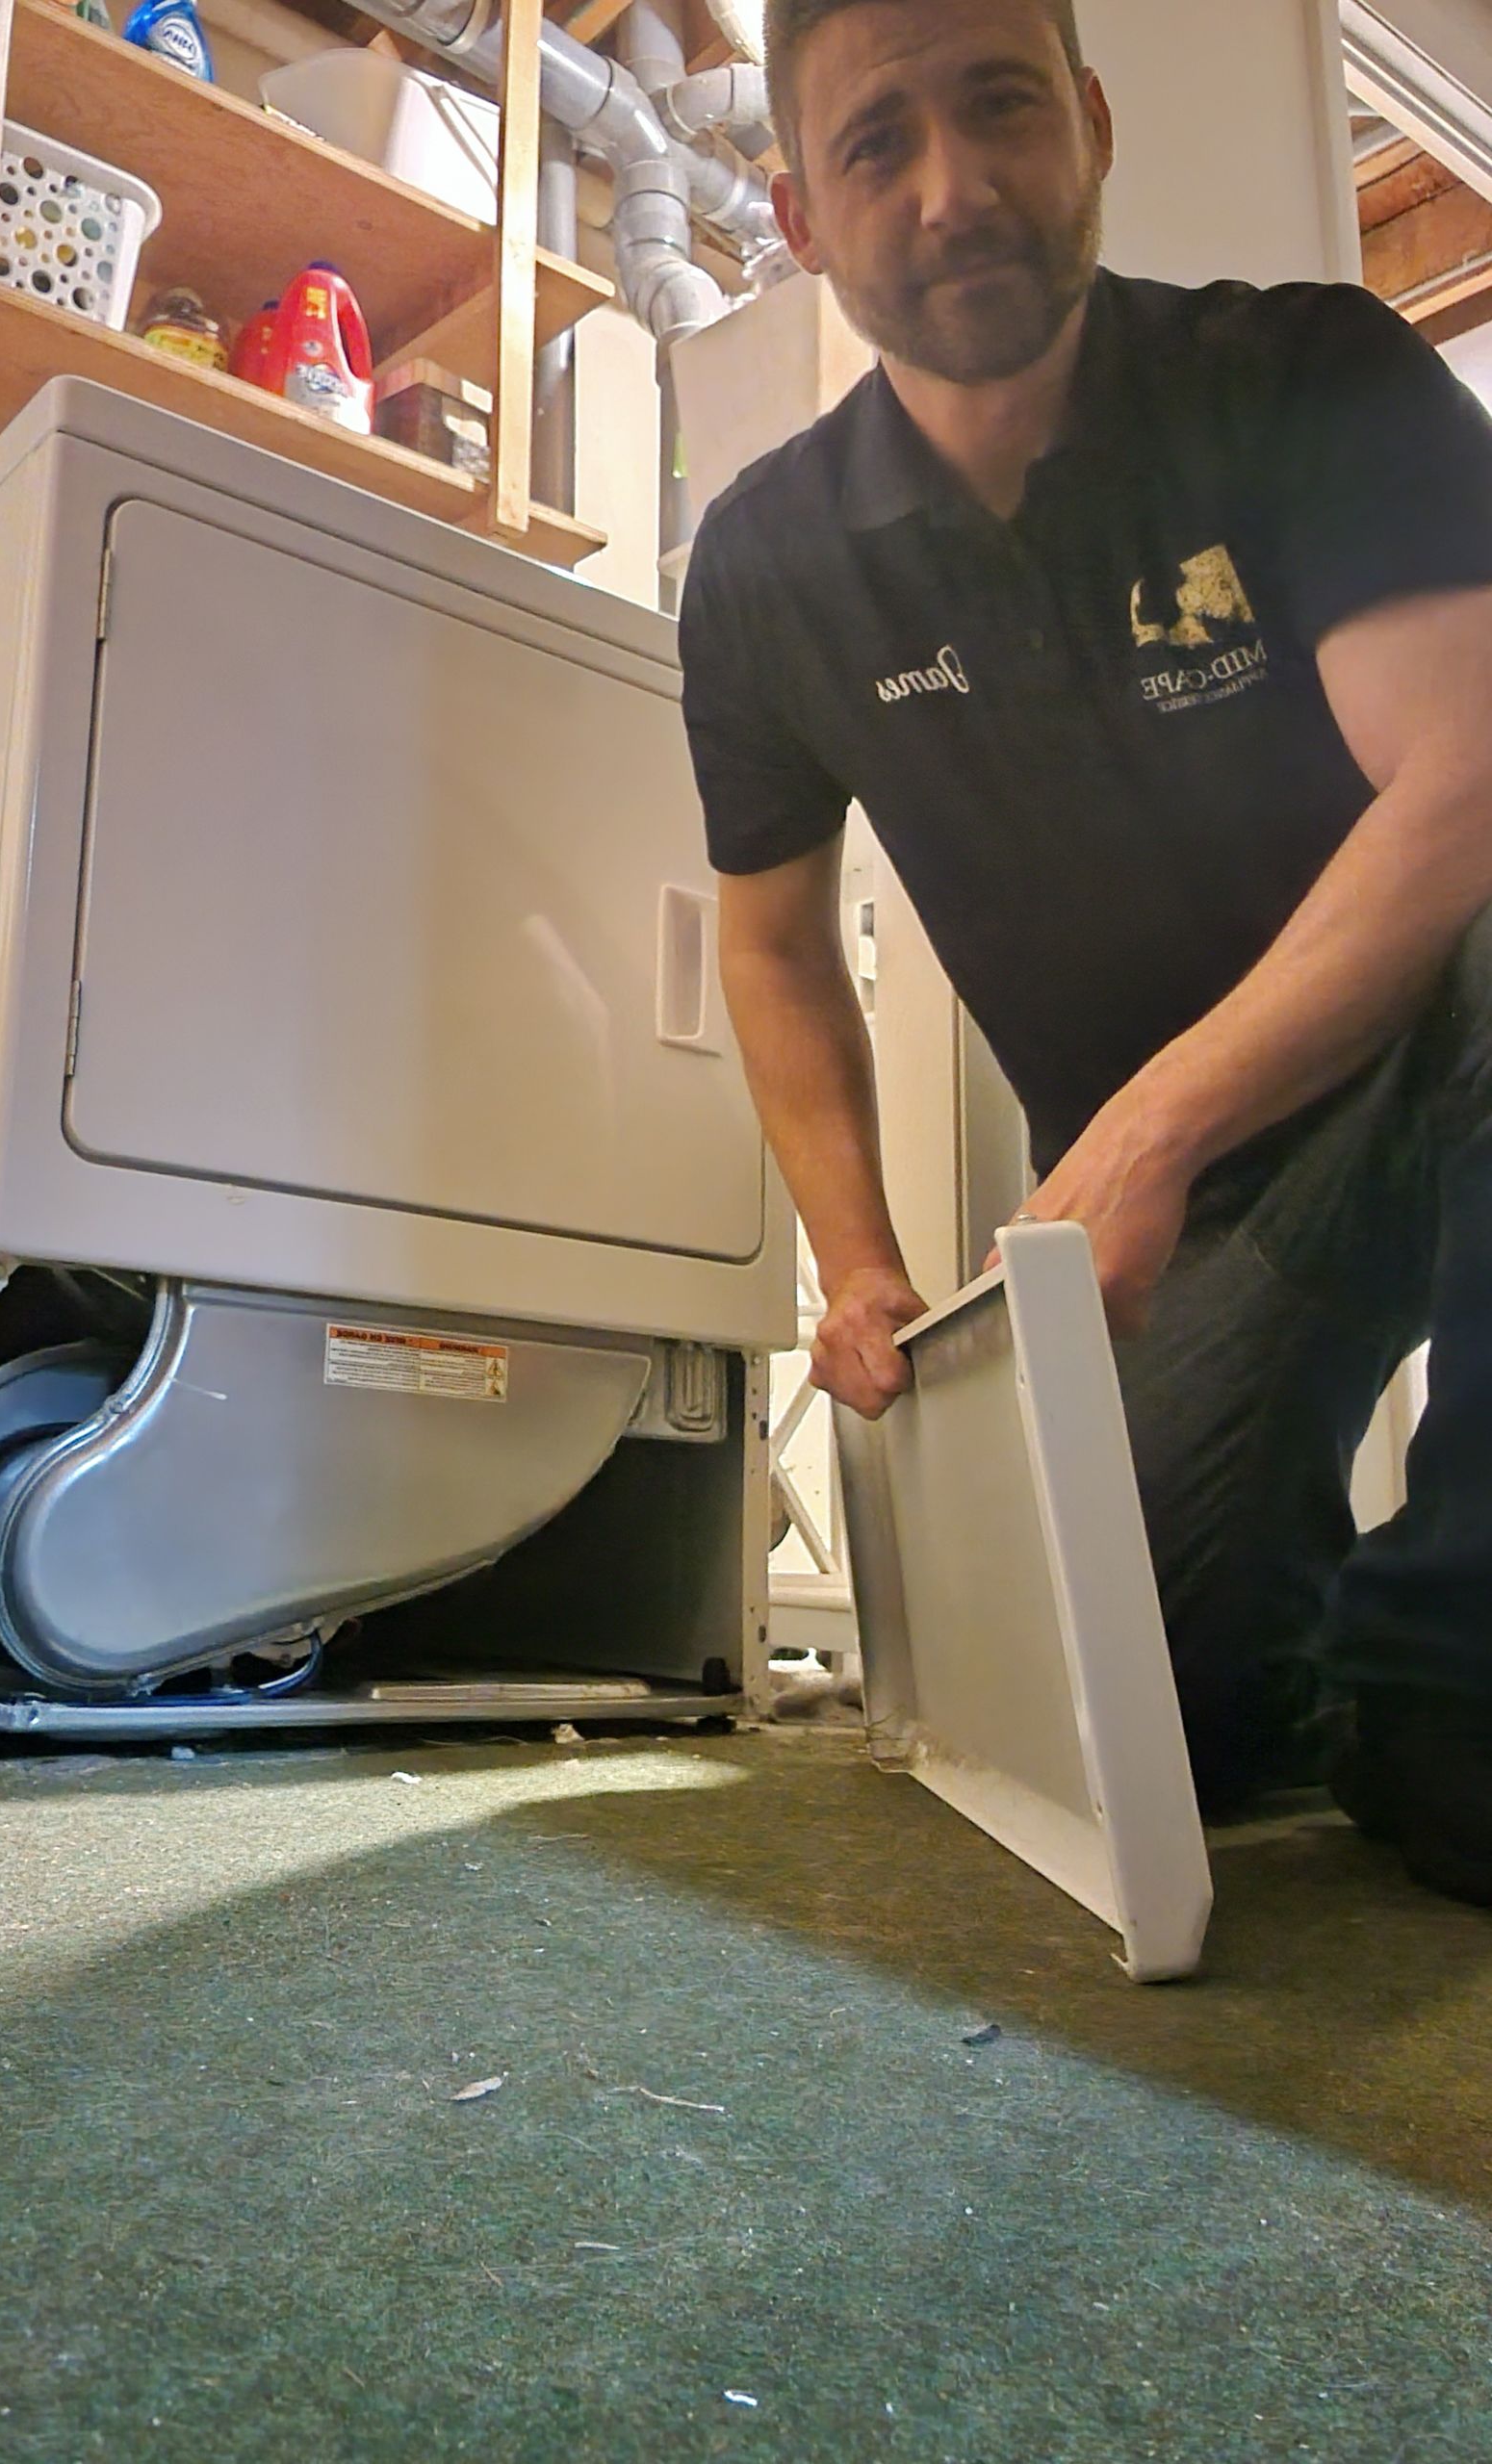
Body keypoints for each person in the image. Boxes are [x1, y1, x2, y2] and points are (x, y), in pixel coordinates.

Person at [678, 0, 1492, 1899]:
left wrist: (1142, 1133)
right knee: (1146, 1725)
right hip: (1184, 1233)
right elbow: (778, 947)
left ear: (1093, 122)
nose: (956, 190)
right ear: (800, 214)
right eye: (881, 145)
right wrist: (861, 1257)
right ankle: (1332, 1688)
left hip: (1421, 1042)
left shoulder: (1304, 376)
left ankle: (1455, 1662)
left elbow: (1462, 787)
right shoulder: (773, 572)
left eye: (1001, 110)